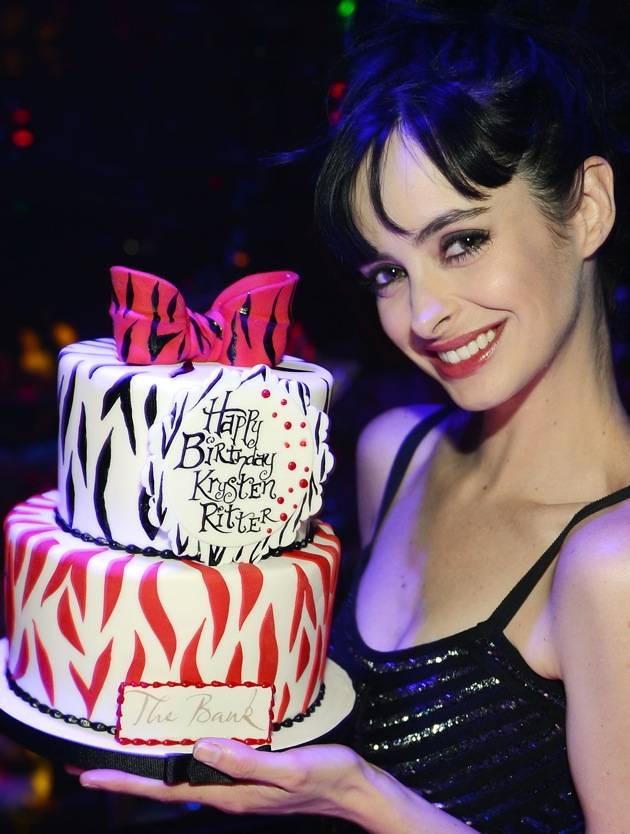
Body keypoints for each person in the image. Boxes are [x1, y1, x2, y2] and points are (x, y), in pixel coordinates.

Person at [76, 2, 630, 831]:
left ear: (586, 209)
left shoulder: (613, 564)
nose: (423, 315)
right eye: (387, 273)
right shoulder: (395, 455)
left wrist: (359, 797)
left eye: (461, 242)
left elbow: (365, 786)